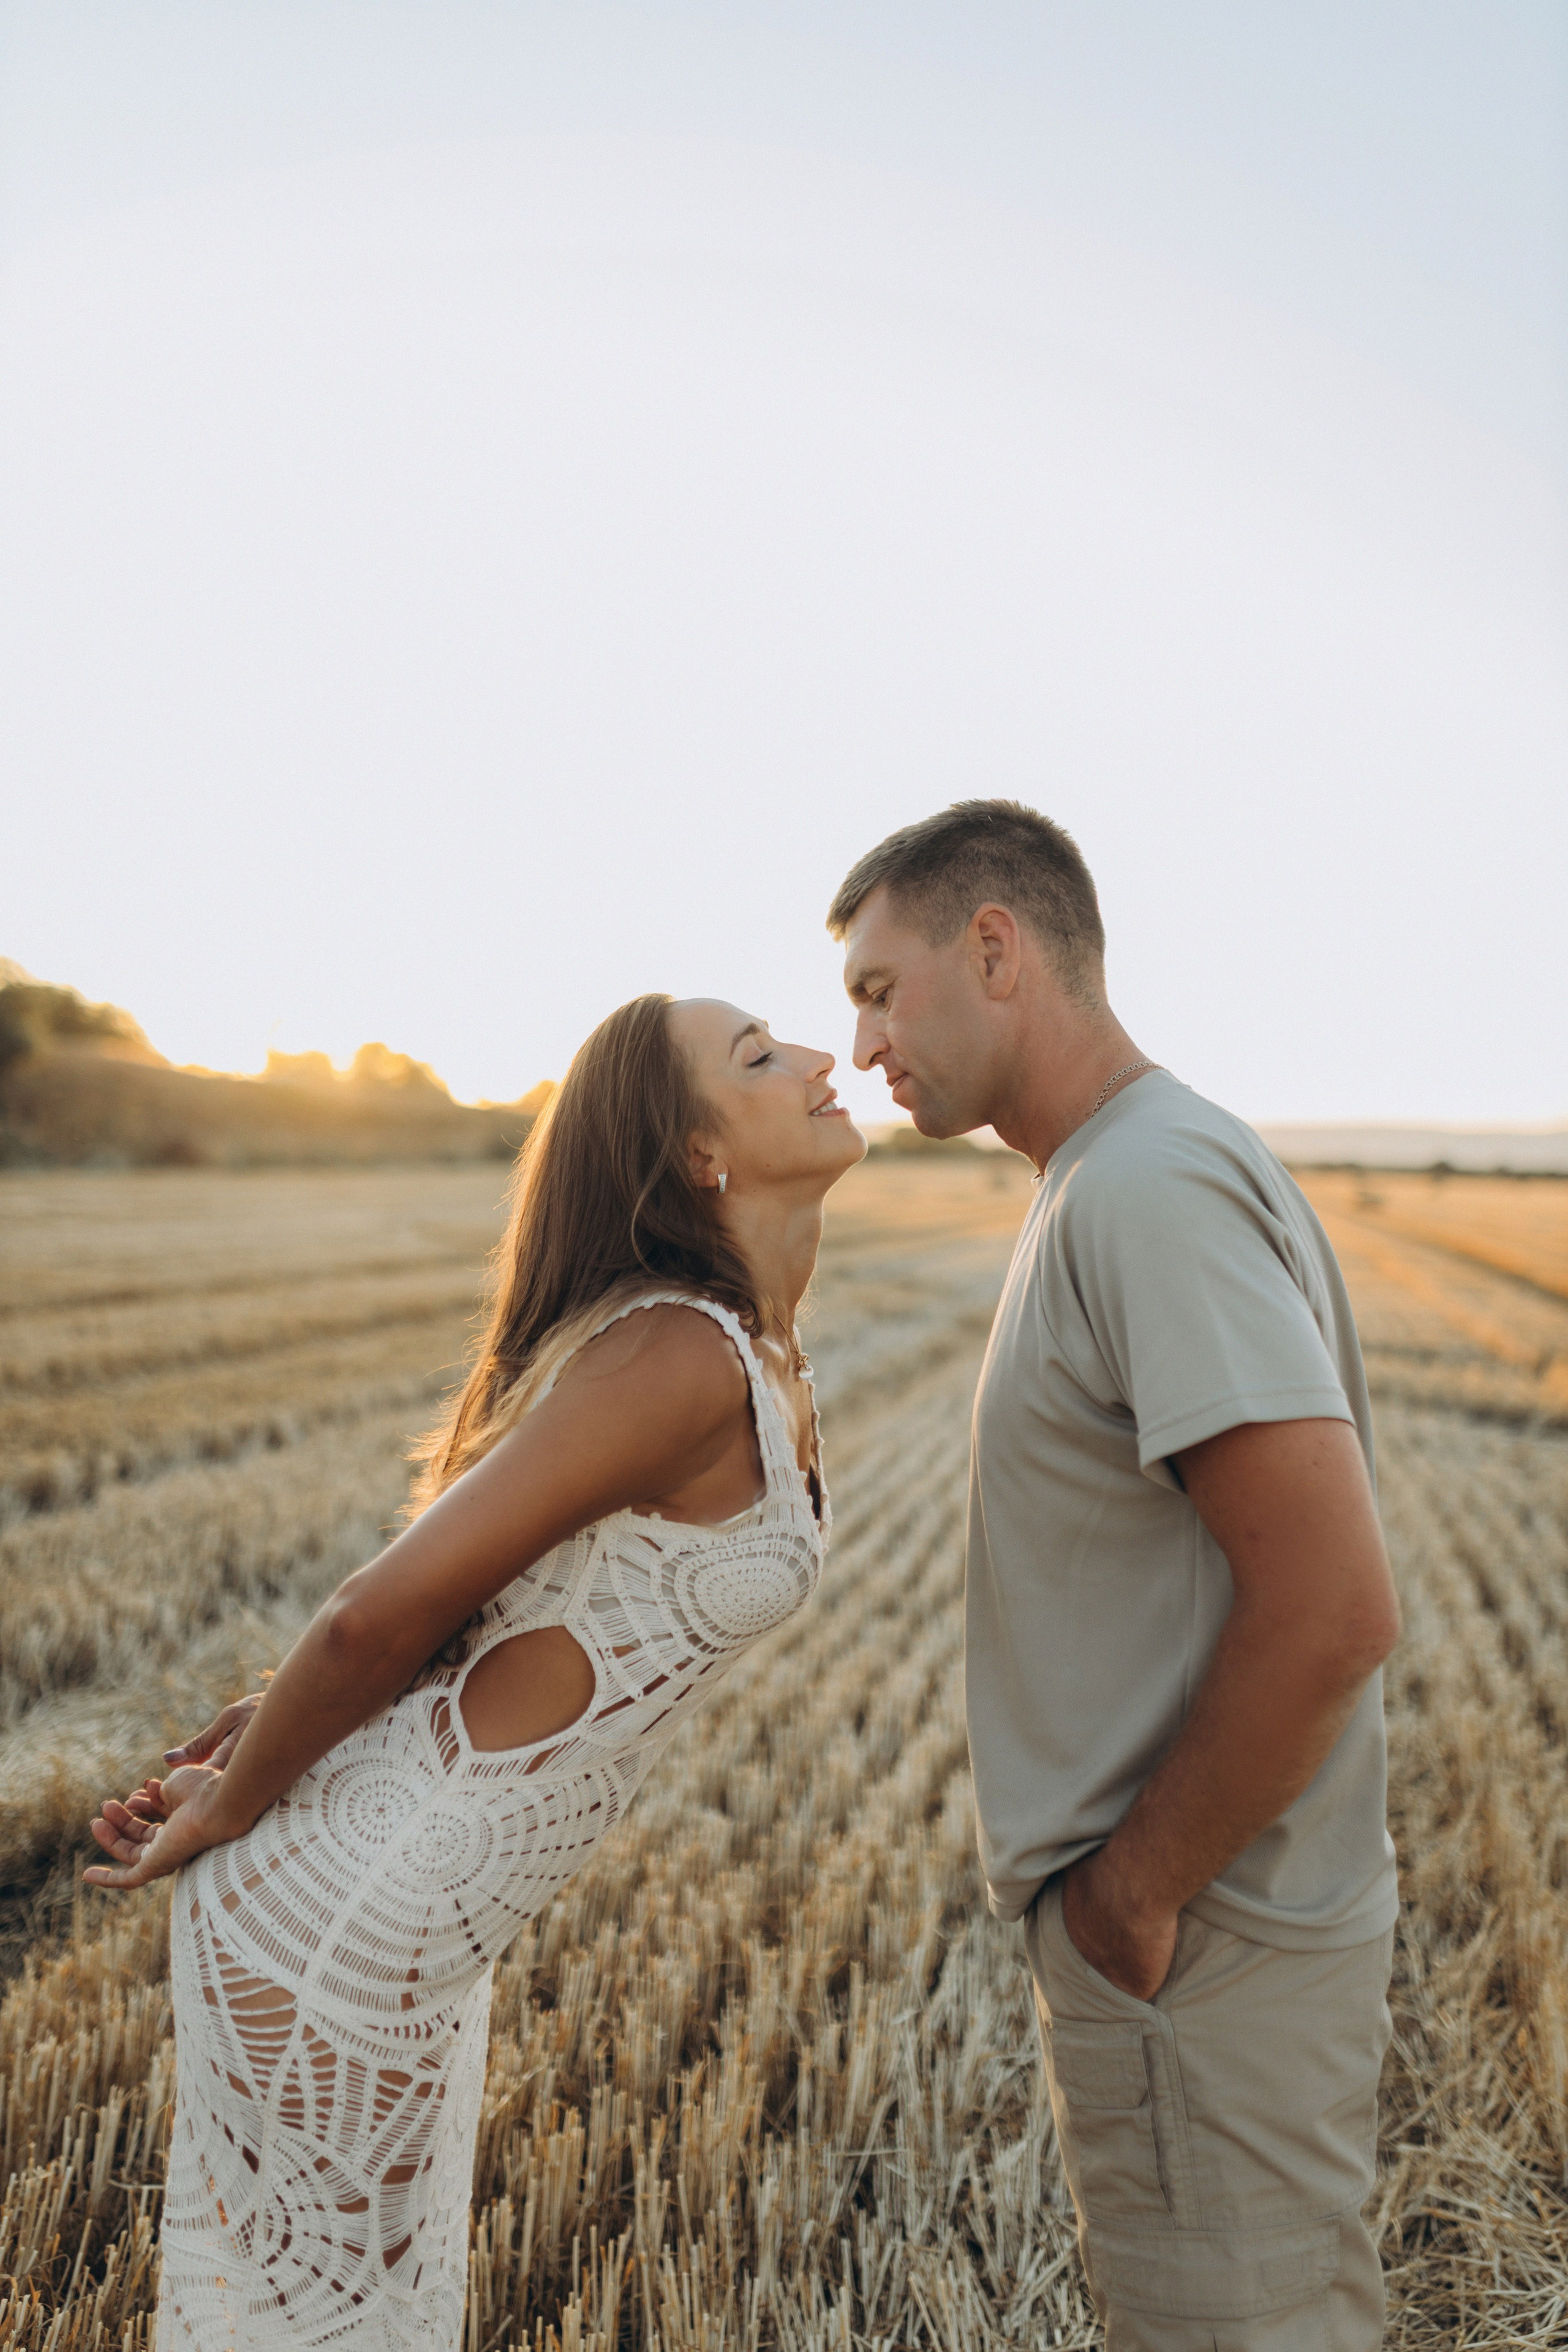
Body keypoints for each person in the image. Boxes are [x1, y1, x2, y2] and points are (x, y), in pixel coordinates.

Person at [84, 992, 864, 2351]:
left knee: (370, 2322)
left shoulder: (758, 1354)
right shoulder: (678, 1350)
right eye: (760, 1056)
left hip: (424, 1920)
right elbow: (372, 1619)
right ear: (696, 1155)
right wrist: (233, 1802)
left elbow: (501, 1621)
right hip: (348, 1916)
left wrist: (261, 1721)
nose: (817, 1057)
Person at [829, 801, 1401, 2351]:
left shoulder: (1143, 1187)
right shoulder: (1114, 1171)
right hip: (1212, 1952)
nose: (864, 1046)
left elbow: (1334, 1607)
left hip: (1205, 1955)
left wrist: (1130, 1898)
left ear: (994, 949)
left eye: (880, 990)